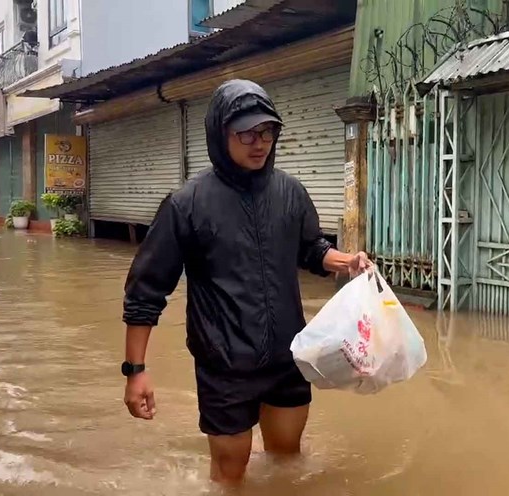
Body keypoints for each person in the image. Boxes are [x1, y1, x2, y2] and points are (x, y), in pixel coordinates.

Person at [120, 79, 371, 486]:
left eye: (268, 132)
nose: (260, 144)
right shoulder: (187, 204)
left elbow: (311, 249)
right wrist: (136, 371)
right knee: (228, 474)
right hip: (225, 368)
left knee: (287, 465)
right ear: (220, 134)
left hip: (288, 359)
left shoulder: (290, 192)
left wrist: (347, 261)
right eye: (247, 134)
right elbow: (145, 291)